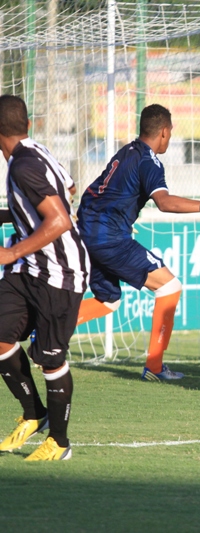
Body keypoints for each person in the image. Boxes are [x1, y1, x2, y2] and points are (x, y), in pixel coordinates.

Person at [75, 104, 200, 381]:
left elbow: (92, 191)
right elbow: (165, 203)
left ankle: (47, 332)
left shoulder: (126, 152)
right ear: (165, 132)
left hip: (86, 232)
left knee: (109, 301)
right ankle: (154, 367)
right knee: (170, 286)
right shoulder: (148, 161)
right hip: (110, 238)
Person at [0, 94, 89, 460]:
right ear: (27, 124)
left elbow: (59, 219)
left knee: (49, 358)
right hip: (29, 270)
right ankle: (34, 413)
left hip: (60, 273)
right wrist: (16, 219)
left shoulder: (22, 167)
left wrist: (12, 250)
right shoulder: (36, 151)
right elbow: (67, 190)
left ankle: (61, 443)